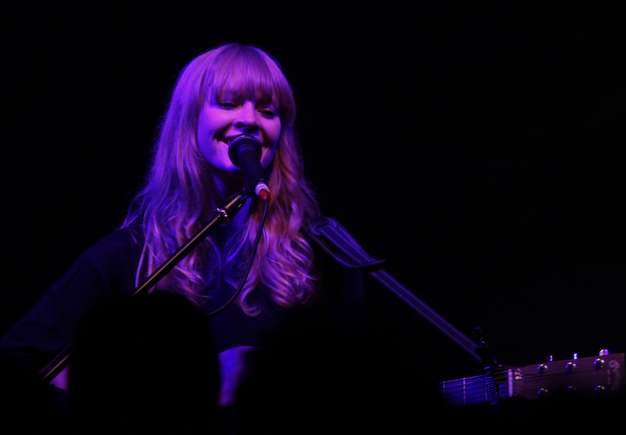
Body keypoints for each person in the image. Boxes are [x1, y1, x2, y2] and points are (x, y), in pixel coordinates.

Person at [0, 42, 365, 430]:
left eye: (267, 110)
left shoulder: (313, 256)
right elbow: (20, 361)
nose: (249, 120)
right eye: (227, 103)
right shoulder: (131, 254)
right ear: (190, 121)